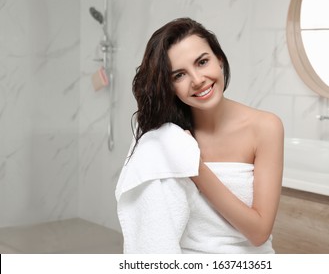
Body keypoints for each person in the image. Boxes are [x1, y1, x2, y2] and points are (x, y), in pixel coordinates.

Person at [116, 17, 284, 254]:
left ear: (220, 60)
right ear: (169, 86)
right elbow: (152, 226)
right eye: (179, 75)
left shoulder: (266, 127)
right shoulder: (165, 138)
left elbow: (259, 232)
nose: (197, 80)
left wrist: (194, 166)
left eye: (202, 62)